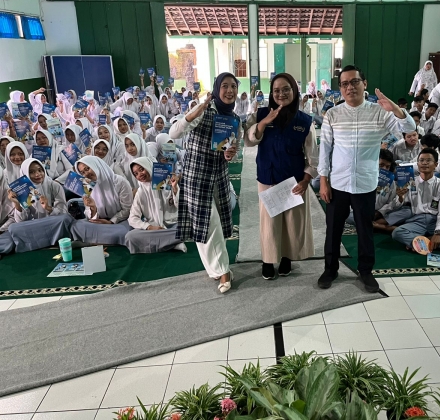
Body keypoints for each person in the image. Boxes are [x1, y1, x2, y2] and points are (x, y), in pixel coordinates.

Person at [318, 64, 415, 292]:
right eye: (344, 84)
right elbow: (325, 149)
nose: (350, 87)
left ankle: (365, 271)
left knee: (365, 229)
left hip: (365, 183)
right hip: (339, 183)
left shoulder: (380, 112)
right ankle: (330, 269)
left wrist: (395, 109)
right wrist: (323, 181)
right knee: (333, 230)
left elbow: (409, 127)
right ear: (340, 88)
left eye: (354, 82)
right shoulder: (333, 114)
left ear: (365, 84)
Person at [169, 72, 240, 294]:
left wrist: (230, 154)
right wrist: (195, 112)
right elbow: (174, 132)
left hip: (219, 177)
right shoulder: (203, 111)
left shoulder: (234, 119)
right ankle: (224, 271)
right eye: (225, 86)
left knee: (209, 225)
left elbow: (232, 150)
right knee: (208, 223)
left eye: (233, 86)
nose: (229, 91)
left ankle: (214, 269)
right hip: (197, 177)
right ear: (217, 89)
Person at [245, 72, 318, 279]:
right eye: (276, 90)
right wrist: (263, 123)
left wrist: (306, 180)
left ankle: (287, 257)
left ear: (294, 91)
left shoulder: (304, 121)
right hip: (267, 178)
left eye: (286, 89)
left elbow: (313, 156)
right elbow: (249, 140)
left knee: (291, 224)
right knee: (269, 224)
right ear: (271, 93)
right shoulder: (260, 114)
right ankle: (268, 260)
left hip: (294, 182)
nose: (281, 94)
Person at [391, 148, 440, 253]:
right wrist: (400, 197)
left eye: (428, 160)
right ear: (418, 164)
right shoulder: (410, 183)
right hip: (416, 221)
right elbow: (398, 205)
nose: (424, 163)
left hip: (435, 221)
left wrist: (438, 233)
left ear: (436, 164)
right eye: (421, 160)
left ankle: (419, 243)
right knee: (397, 232)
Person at [7, 158, 73, 252]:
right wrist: (17, 204)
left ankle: (38, 243)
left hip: (54, 223)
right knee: (13, 228)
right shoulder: (23, 191)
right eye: (32, 172)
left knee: (65, 219)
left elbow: (63, 213)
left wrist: (48, 208)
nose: (37, 174)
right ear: (25, 174)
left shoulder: (54, 186)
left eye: (40, 170)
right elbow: (20, 221)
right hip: (36, 226)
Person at [123, 157, 187, 254]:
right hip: (155, 229)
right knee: (130, 236)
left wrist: (175, 189)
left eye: (141, 169)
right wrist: (149, 227)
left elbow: (181, 207)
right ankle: (173, 243)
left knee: (186, 228)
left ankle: (166, 243)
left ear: (149, 166)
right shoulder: (141, 192)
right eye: (136, 173)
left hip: (174, 224)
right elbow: (132, 218)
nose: (140, 174)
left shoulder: (169, 182)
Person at [70, 156, 133, 245]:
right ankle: (106, 240)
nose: (86, 174)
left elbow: (127, 209)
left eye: (87, 169)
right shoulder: (87, 186)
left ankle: (92, 241)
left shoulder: (120, 182)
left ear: (96, 165)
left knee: (126, 232)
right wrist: (93, 208)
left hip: (119, 222)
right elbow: (88, 215)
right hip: (100, 222)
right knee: (76, 226)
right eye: (82, 172)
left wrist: (111, 221)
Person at [371, 150, 413, 234]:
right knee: (350, 215)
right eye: (381, 165)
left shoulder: (391, 182)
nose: (384, 169)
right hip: (364, 212)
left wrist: (380, 212)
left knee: (407, 212)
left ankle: (376, 225)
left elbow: (391, 203)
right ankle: (376, 225)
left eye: (387, 167)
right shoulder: (364, 179)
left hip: (381, 214)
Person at [0, 169, 15, 254]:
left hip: (3, 229)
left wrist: (1, 230)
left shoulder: (8, 192)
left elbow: (13, 217)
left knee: (10, 241)